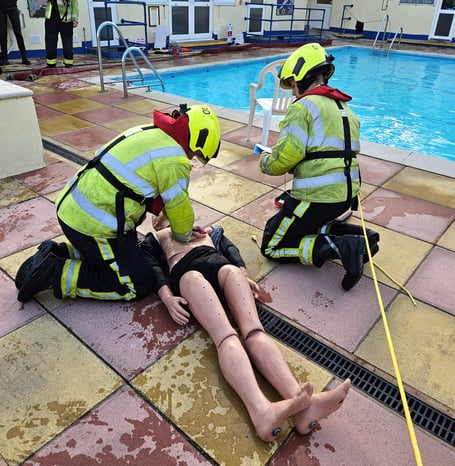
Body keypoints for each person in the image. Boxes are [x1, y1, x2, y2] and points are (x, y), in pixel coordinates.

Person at [141, 219, 351, 442]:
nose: (166, 209)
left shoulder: (209, 231)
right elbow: (152, 268)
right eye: (161, 208)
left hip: (221, 266)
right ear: (155, 221)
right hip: (187, 275)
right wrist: (167, 297)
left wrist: (243, 273)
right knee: (226, 335)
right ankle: (262, 411)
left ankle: (304, 406)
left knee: (254, 331)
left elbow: (231, 249)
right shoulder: (155, 239)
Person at [15, 103, 221, 304]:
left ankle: (58, 252)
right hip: (95, 225)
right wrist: (184, 233)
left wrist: (175, 221)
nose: (193, 158)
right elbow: (180, 211)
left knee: (137, 260)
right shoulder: (175, 160)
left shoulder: (151, 133)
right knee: (136, 284)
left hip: (75, 211)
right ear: (196, 141)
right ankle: (54, 272)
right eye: (197, 154)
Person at [258, 43, 379, 291]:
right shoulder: (346, 109)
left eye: (293, 83)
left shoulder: (303, 107)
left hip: (317, 197)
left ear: (304, 75)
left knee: (273, 242)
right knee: (306, 224)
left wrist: (265, 162)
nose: (293, 90)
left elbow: (283, 160)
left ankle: (341, 247)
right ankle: (361, 239)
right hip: (346, 196)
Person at [44, 0, 78, 68]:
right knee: (50, 42)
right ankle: (51, 63)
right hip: (51, 18)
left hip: (66, 19)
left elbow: (74, 3)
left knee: (67, 42)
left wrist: (75, 19)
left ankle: (68, 63)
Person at [0, 0, 31, 66]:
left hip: (13, 7)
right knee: (2, 34)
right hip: (1, 9)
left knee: (18, 33)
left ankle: (24, 58)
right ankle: (4, 59)